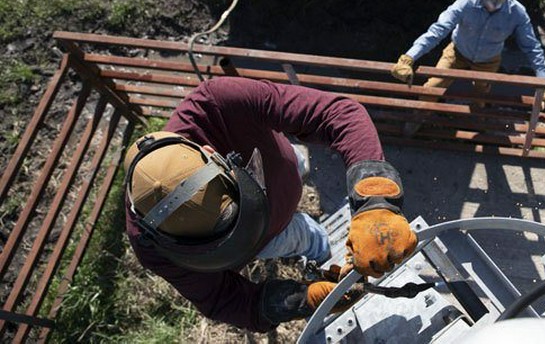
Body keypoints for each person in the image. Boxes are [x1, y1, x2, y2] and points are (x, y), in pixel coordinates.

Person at [123, 76, 417, 333]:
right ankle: (321, 251)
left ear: (213, 155)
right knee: (306, 236)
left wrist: (375, 201)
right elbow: (225, 300)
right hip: (273, 237)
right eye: (223, 240)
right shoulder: (151, 248)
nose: (238, 235)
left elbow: (338, 114)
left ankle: (300, 183)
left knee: (295, 163)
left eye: (234, 219)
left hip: (283, 169)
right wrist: (304, 299)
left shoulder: (219, 102)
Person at [391, 0, 545, 112]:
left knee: (480, 96)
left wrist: (544, 84)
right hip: (457, 53)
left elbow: (532, 48)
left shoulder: (517, 13)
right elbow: (438, 30)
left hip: (488, 60)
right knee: (432, 87)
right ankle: (420, 116)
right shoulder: (465, 3)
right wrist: (409, 57)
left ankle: (477, 120)